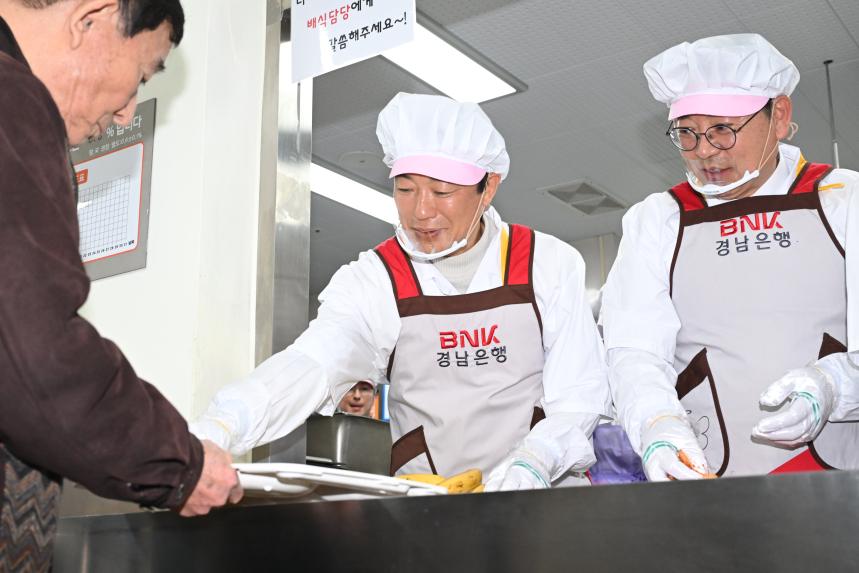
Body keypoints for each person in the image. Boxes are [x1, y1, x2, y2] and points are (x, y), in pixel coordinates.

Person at [193, 92, 611, 490]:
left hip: (541, 492)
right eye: (405, 189)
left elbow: (578, 395)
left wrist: (535, 461)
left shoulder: (546, 263)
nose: (421, 211)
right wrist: (225, 423)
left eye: (442, 191)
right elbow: (314, 362)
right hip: (427, 501)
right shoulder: (376, 278)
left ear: (489, 187)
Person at [0, 0, 241, 567]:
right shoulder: (12, 101)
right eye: (142, 75)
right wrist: (179, 465)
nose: (129, 111)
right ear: (93, 17)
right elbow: (33, 353)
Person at [600, 33, 859, 481]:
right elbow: (634, 350)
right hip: (708, 476)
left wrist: (835, 384)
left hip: (839, 475)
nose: (704, 150)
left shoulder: (844, 199)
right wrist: (657, 424)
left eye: (723, 129)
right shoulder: (658, 219)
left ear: (779, 116)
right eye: (686, 132)